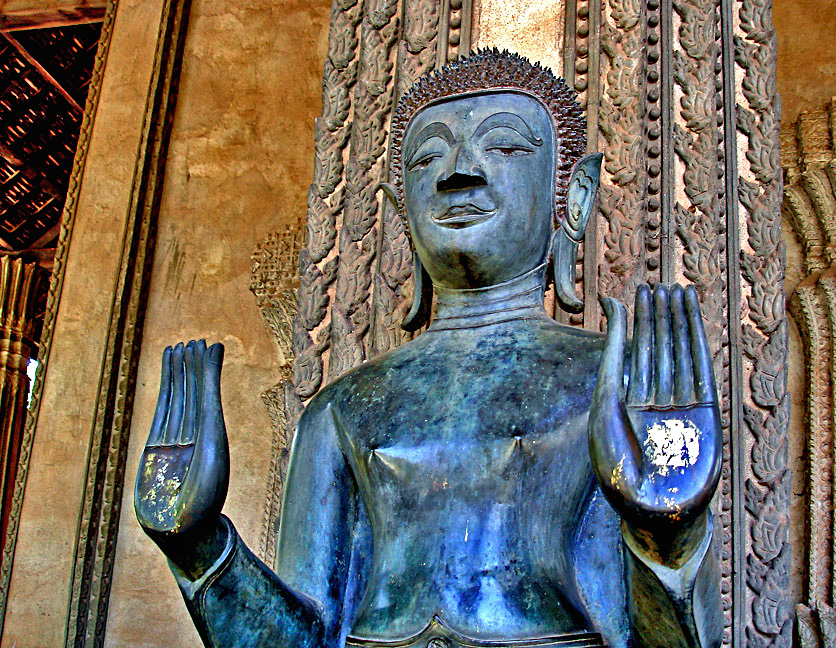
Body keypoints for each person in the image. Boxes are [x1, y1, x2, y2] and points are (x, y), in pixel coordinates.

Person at [135, 50, 722, 648]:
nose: (458, 173)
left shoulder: (619, 385)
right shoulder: (343, 409)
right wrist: (200, 548)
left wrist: (669, 537)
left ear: (572, 196)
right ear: (401, 211)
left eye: (504, 147)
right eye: (427, 157)